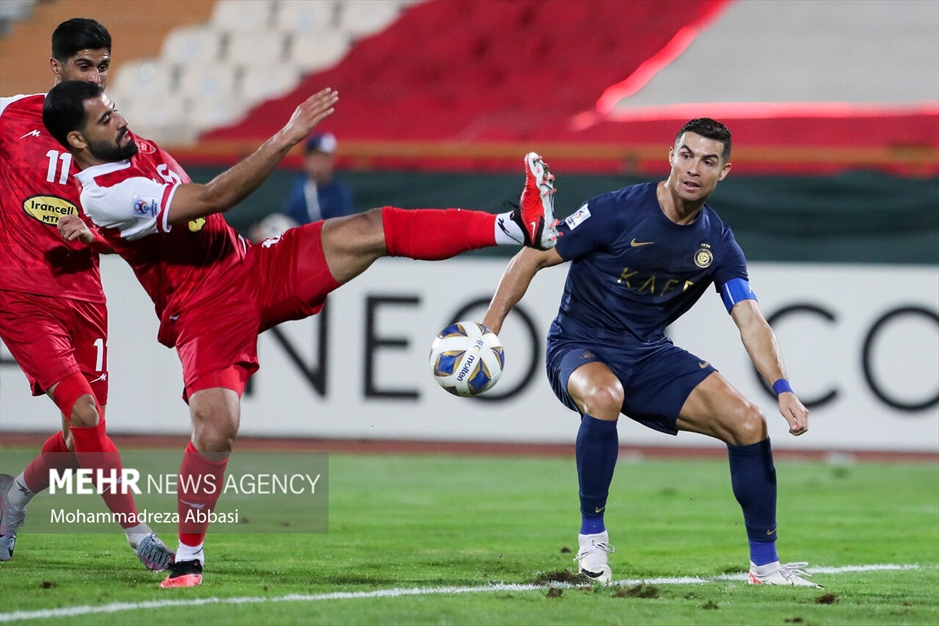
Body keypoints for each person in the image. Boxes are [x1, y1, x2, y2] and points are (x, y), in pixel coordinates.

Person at [41, 79, 559, 588]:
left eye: (115, 109)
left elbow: (152, 231)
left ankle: (516, 227)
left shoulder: (128, 157)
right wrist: (286, 137)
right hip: (203, 310)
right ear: (79, 141)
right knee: (217, 428)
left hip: (249, 264)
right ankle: (188, 558)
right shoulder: (104, 193)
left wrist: (101, 239)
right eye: (106, 118)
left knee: (369, 227)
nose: (121, 119)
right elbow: (214, 197)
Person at [482, 118, 822, 588]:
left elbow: (750, 319)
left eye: (708, 161)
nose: (694, 168)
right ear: (670, 156)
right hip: (580, 346)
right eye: (686, 155)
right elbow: (535, 254)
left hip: (648, 355)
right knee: (604, 396)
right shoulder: (616, 211)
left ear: (724, 172)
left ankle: (765, 568)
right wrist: (490, 327)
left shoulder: (718, 243)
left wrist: (782, 389)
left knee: (749, 423)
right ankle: (592, 542)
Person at [0, 18, 174, 571]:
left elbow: (133, 214)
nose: (96, 76)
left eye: (102, 66)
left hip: (85, 295)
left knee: (81, 436)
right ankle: (141, 537)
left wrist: (96, 237)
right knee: (83, 410)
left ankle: (11, 501)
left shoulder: (109, 131)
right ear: (55, 67)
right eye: (84, 66)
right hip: (21, 292)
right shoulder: (10, 114)